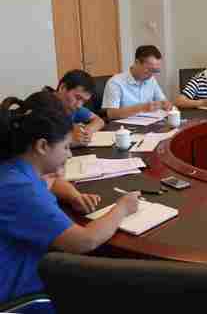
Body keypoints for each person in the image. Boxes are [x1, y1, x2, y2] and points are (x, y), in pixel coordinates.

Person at [0, 92, 139, 308]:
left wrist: (72, 194)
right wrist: (122, 208)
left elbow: (49, 183)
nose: (69, 155)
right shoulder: (19, 188)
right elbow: (84, 241)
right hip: (21, 296)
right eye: (65, 147)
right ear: (42, 146)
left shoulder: (14, 171)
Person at [102, 45, 173, 120]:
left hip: (148, 122)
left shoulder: (151, 79)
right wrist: (142, 108)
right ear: (137, 62)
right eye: (149, 70)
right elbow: (111, 114)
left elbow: (163, 101)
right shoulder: (115, 82)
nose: (152, 74)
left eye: (155, 71)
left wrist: (166, 104)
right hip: (125, 125)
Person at [45, 69, 105, 147]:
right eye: (77, 97)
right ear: (62, 88)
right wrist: (69, 141)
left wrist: (87, 131)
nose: (79, 105)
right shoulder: (43, 106)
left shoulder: (71, 106)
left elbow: (99, 121)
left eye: (84, 101)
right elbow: (39, 144)